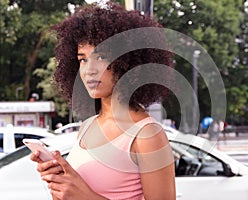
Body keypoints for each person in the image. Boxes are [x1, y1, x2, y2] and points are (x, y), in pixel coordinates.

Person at [30, 2, 176, 200]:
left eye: (101, 57)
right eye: (83, 59)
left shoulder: (147, 135)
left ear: (129, 61)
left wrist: (85, 196)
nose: (90, 70)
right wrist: (59, 180)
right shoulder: (88, 126)